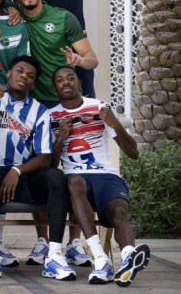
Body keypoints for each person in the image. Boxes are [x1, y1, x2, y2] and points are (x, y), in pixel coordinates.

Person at [0, 56, 76, 281]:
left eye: (30, 76)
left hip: (23, 176)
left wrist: (18, 170)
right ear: (9, 74)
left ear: (33, 83)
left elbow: (45, 157)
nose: (25, 77)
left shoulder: (40, 111)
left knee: (55, 177)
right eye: (20, 71)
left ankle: (54, 255)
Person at [49, 66, 149, 287]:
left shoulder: (100, 108)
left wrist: (115, 125)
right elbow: (51, 164)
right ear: (53, 87)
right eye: (60, 80)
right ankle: (100, 260)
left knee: (119, 211)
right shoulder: (51, 116)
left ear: (79, 83)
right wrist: (60, 139)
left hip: (106, 176)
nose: (66, 82)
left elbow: (133, 154)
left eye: (70, 78)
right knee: (74, 181)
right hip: (74, 179)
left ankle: (127, 258)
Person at [12, 0, 98, 107]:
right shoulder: (11, 13)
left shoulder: (64, 18)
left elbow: (92, 60)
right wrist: (9, 8)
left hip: (62, 98)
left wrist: (80, 60)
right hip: (29, 100)